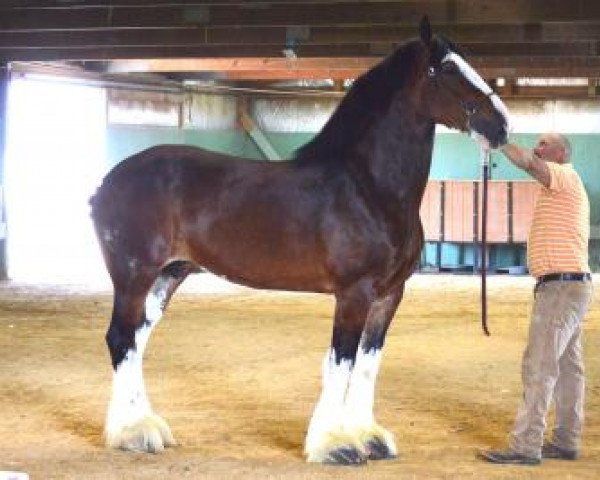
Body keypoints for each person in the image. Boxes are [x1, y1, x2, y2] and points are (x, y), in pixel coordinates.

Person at [480, 133, 593, 465]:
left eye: (544, 144)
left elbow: (529, 163)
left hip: (560, 288)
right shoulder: (560, 186)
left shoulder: (563, 175)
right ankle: (566, 440)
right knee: (568, 369)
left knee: (539, 366)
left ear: (560, 153)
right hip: (570, 286)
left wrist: (497, 139)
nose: (537, 148)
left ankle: (525, 445)